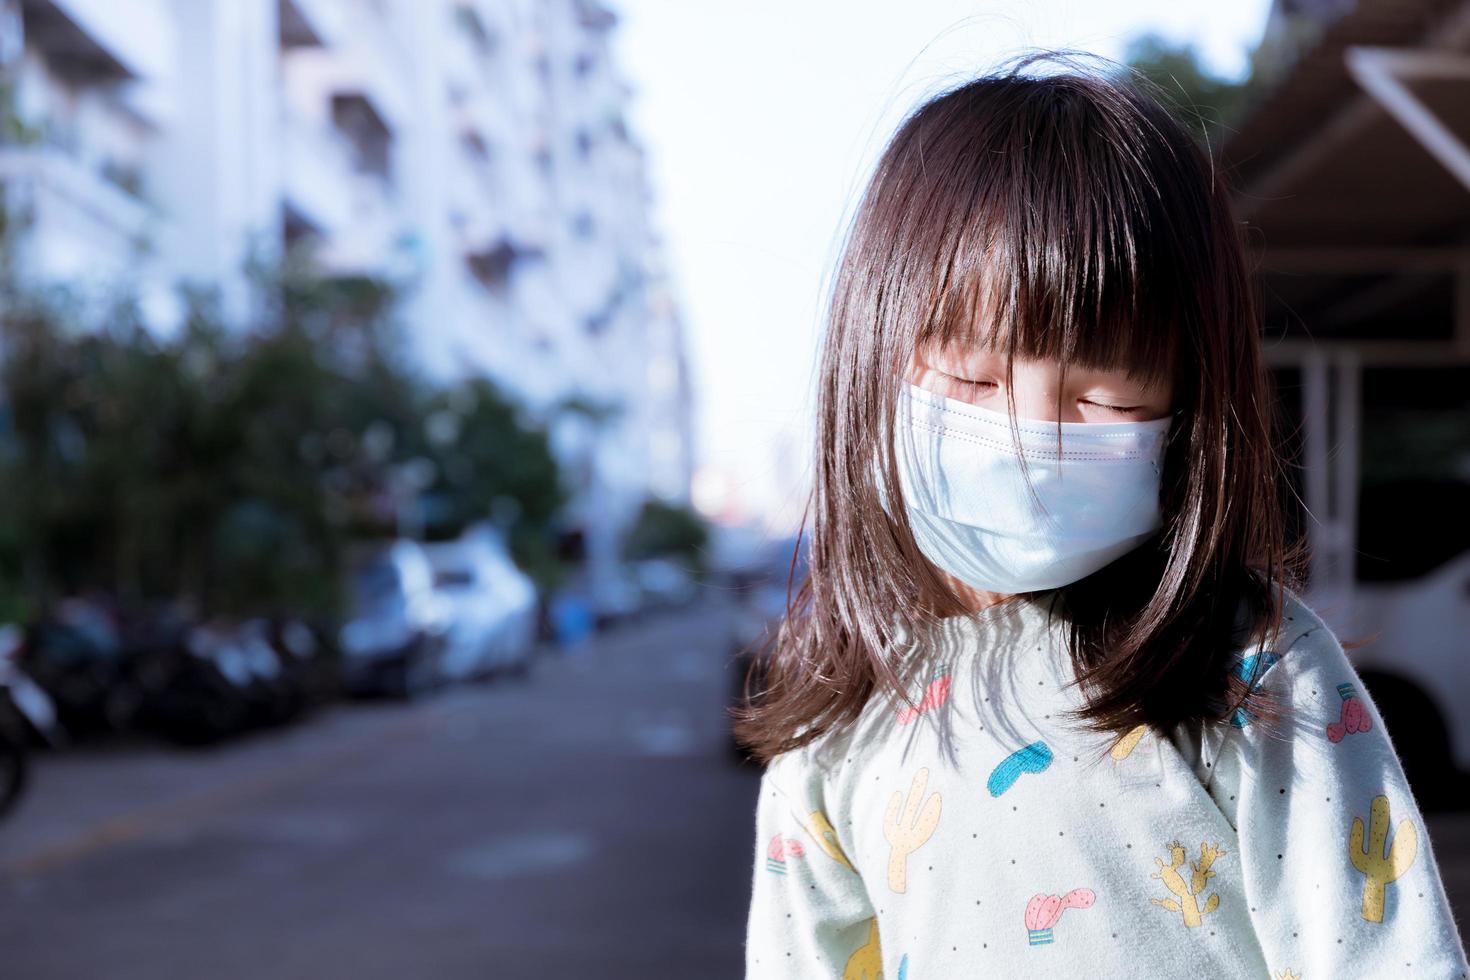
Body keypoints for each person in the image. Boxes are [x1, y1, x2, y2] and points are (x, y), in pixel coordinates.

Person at [736, 51, 1470, 979]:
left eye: (1111, 399)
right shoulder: (841, 715)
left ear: (1191, 410)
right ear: (868, 354)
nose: (1031, 439)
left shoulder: (1252, 669)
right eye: (971, 378)